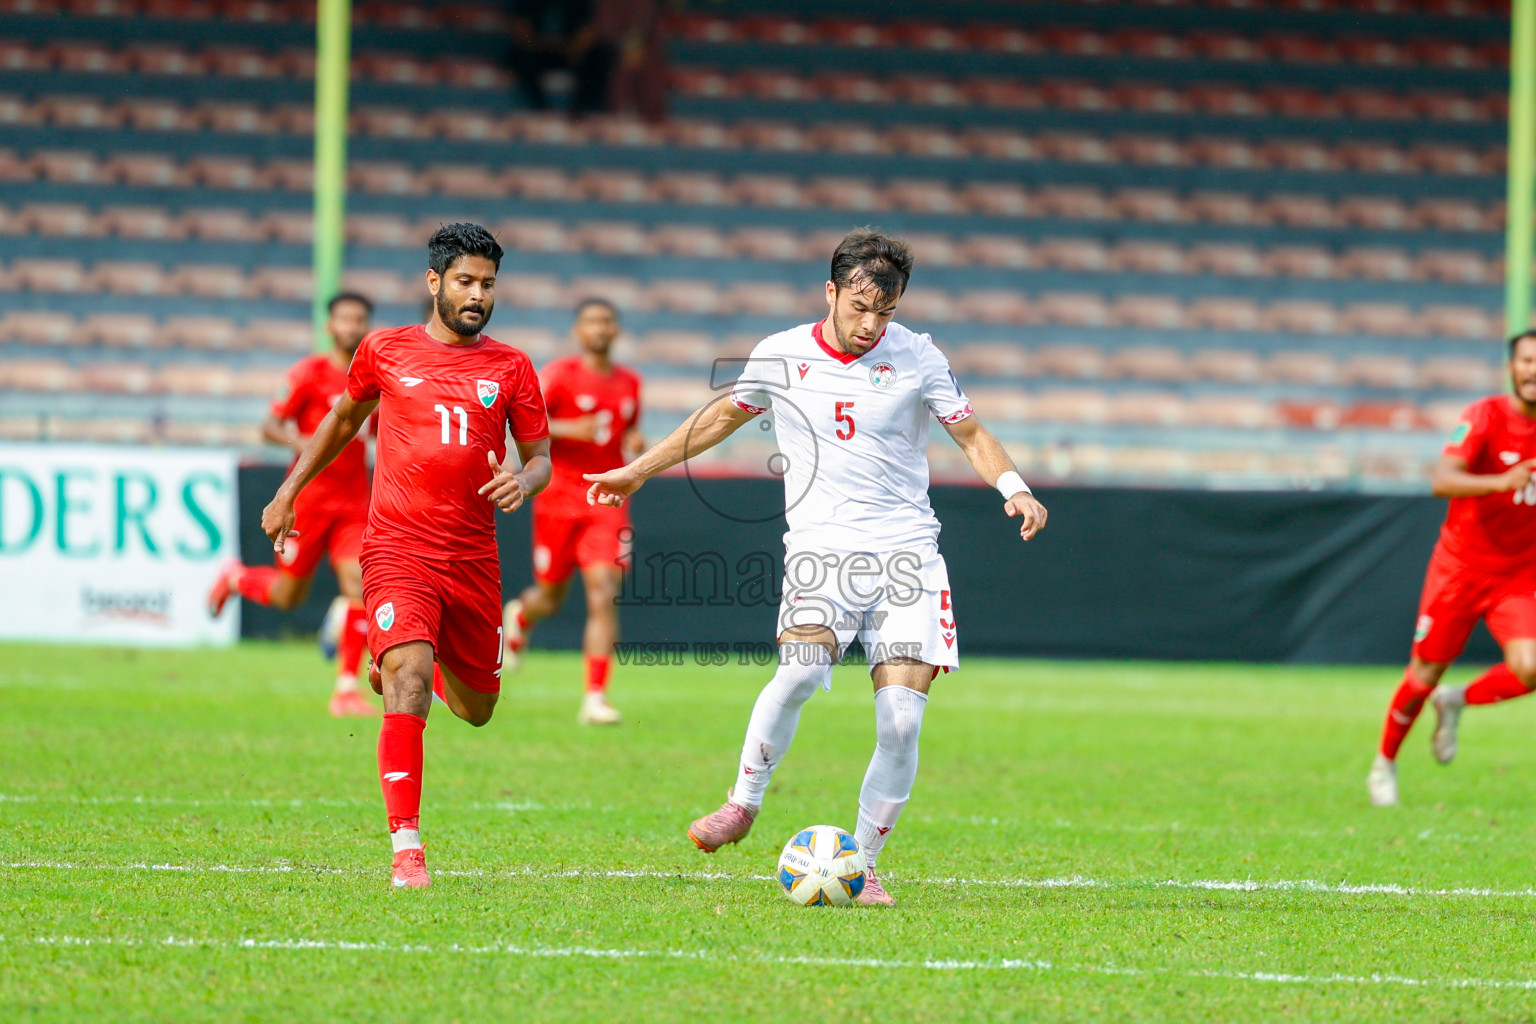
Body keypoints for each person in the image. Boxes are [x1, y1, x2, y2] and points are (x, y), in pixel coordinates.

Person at [584, 228, 1048, 905]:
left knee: (903, 721)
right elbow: (721, 418)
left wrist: (1015, 487)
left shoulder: (918, 356)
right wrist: (638, 470)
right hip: (821, 550)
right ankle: (742, 804)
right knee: (800, 670)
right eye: (859, 308)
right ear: (830, 292)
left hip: (907, 554)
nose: (870, 325)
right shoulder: (782, 353)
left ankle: (864, 863)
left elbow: (969, 432)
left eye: (884, 313)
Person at [261, 224, 551, 888]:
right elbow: (340, 420)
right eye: (466, 282)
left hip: (474, 558)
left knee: (477, 709)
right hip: (397, 547)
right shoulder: (385, 350)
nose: (478, 296)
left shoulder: (511, 368)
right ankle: (407, 849)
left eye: (488, 285)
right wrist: (289, 491)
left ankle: (402, 658)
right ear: (435, 282)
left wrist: (523, 480)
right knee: (411, 685)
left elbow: (541, 461)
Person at [1367, 330, 1536, 806]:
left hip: (1519, 576)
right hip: (1461, 568)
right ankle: (1385, 763)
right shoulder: (1484, 416)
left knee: (1531, 667)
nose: (1534, 370)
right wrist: (1502, 480)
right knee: (1423, 674)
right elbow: (1442, 479)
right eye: (1527, 361)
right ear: (1512, 367)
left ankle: (1457, 701)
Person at [208, 292, 376, 717]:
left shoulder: (374, 377)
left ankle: (344, 689)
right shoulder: (309, 373)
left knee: (358, 585)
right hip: (309, 501)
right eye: (345, 318)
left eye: (360, 319)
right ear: (330, 326)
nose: (352, 326)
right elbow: (269, 426)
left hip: (354, 501)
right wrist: (299, 441)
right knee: (288, 596)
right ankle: (236, 578)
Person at [503, 298, 643, 724]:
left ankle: (595, 697)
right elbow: (525, 424)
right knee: (550, 597)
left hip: (605, 502)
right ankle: (521, 615)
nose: (599, 328)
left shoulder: (630, 383)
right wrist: (569, 429)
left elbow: (629, 430)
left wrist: (634, 445)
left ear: (616, 330)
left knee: (604, 593)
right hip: (558, 500)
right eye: (591, 321)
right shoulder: (559, 376)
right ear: (578, 331)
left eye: (607, 321)